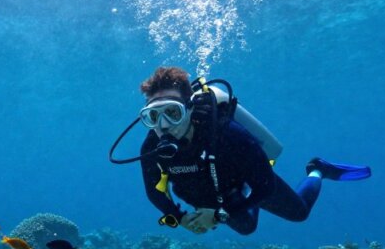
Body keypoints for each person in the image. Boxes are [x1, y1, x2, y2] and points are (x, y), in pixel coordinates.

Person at [136, 66, 370, 235]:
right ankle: (241, 201)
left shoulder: (228, 134)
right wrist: (179, 218)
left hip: (247, 174)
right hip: (208, 189)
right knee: (247, 228)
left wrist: (218, 215)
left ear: (188, 108)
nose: (164, 125)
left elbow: (266, 185)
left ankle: (317, 169)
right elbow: (154, 192)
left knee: (299, 213)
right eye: (153, 116)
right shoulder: (151, 147)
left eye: (173, 113)